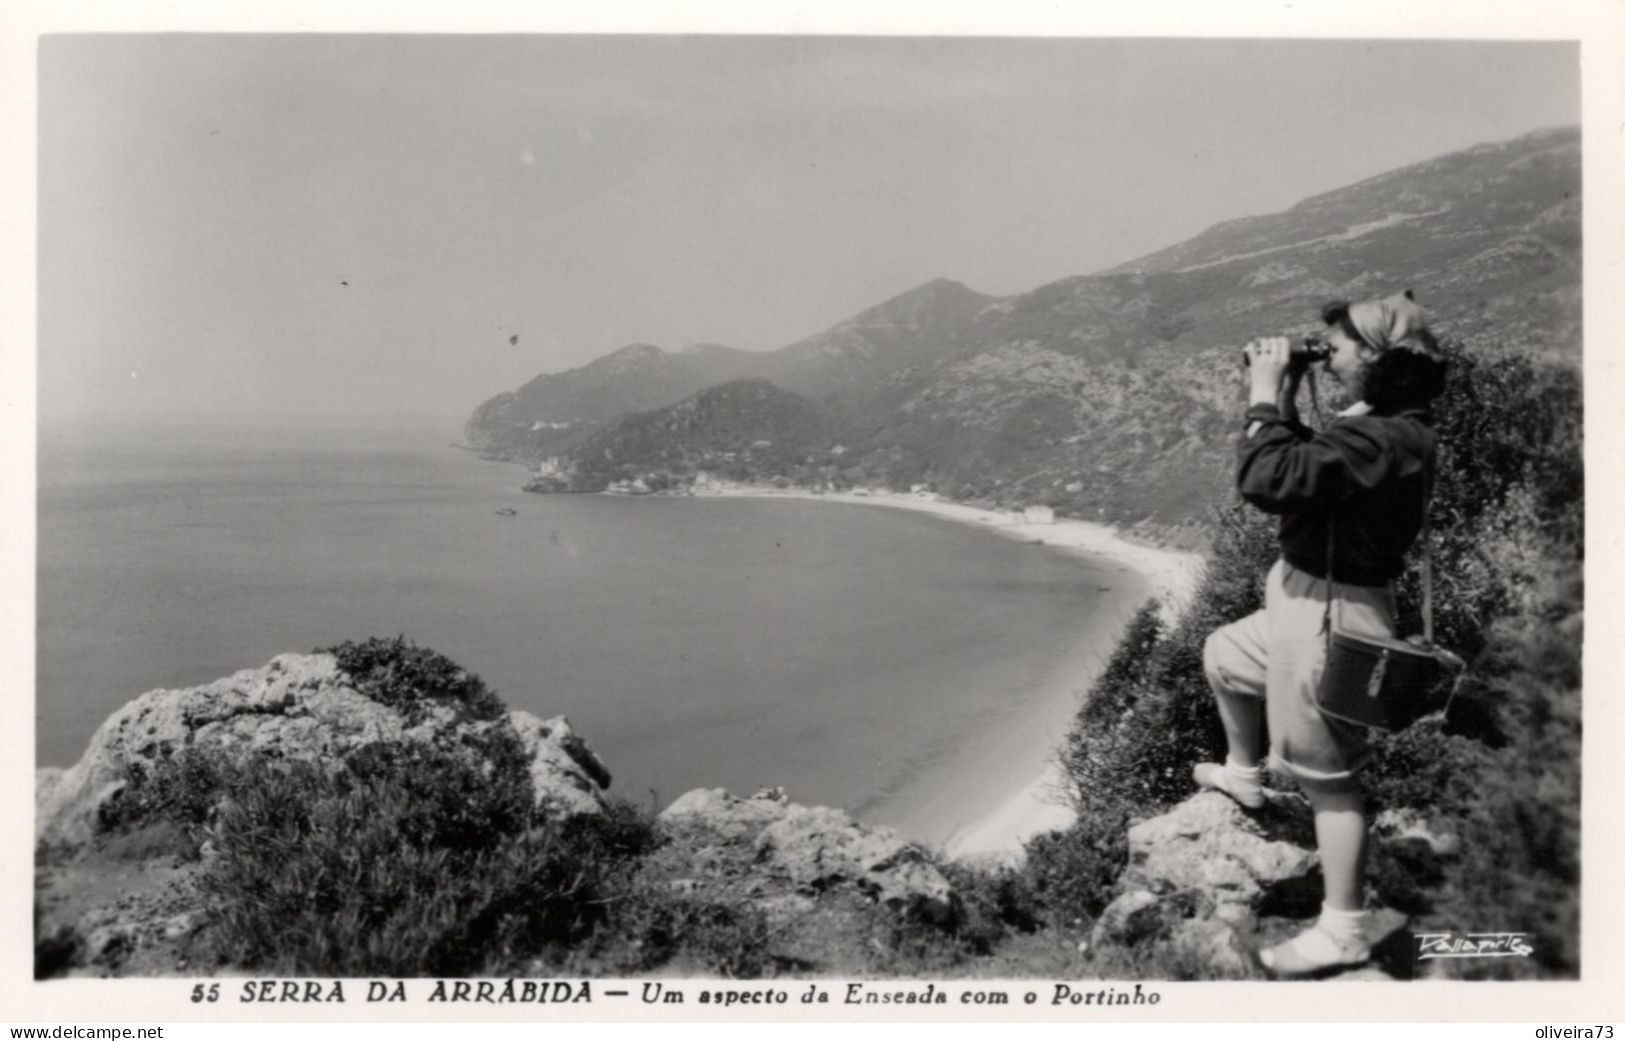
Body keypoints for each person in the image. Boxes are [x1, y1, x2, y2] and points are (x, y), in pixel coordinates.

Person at [1193, 290, 1449, 977]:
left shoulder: (1388, 436)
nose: (1326, 355)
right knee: (1223, 655)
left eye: (1336, 347)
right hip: (1302, 593)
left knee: (1328, 779)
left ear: (1377, 355)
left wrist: (1262, 392)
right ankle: (1245, 775)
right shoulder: (1377, 426)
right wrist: (1287, 393)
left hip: (1332, 612)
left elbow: (1266, 477)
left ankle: (1343, 929)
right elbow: (1307, 466)